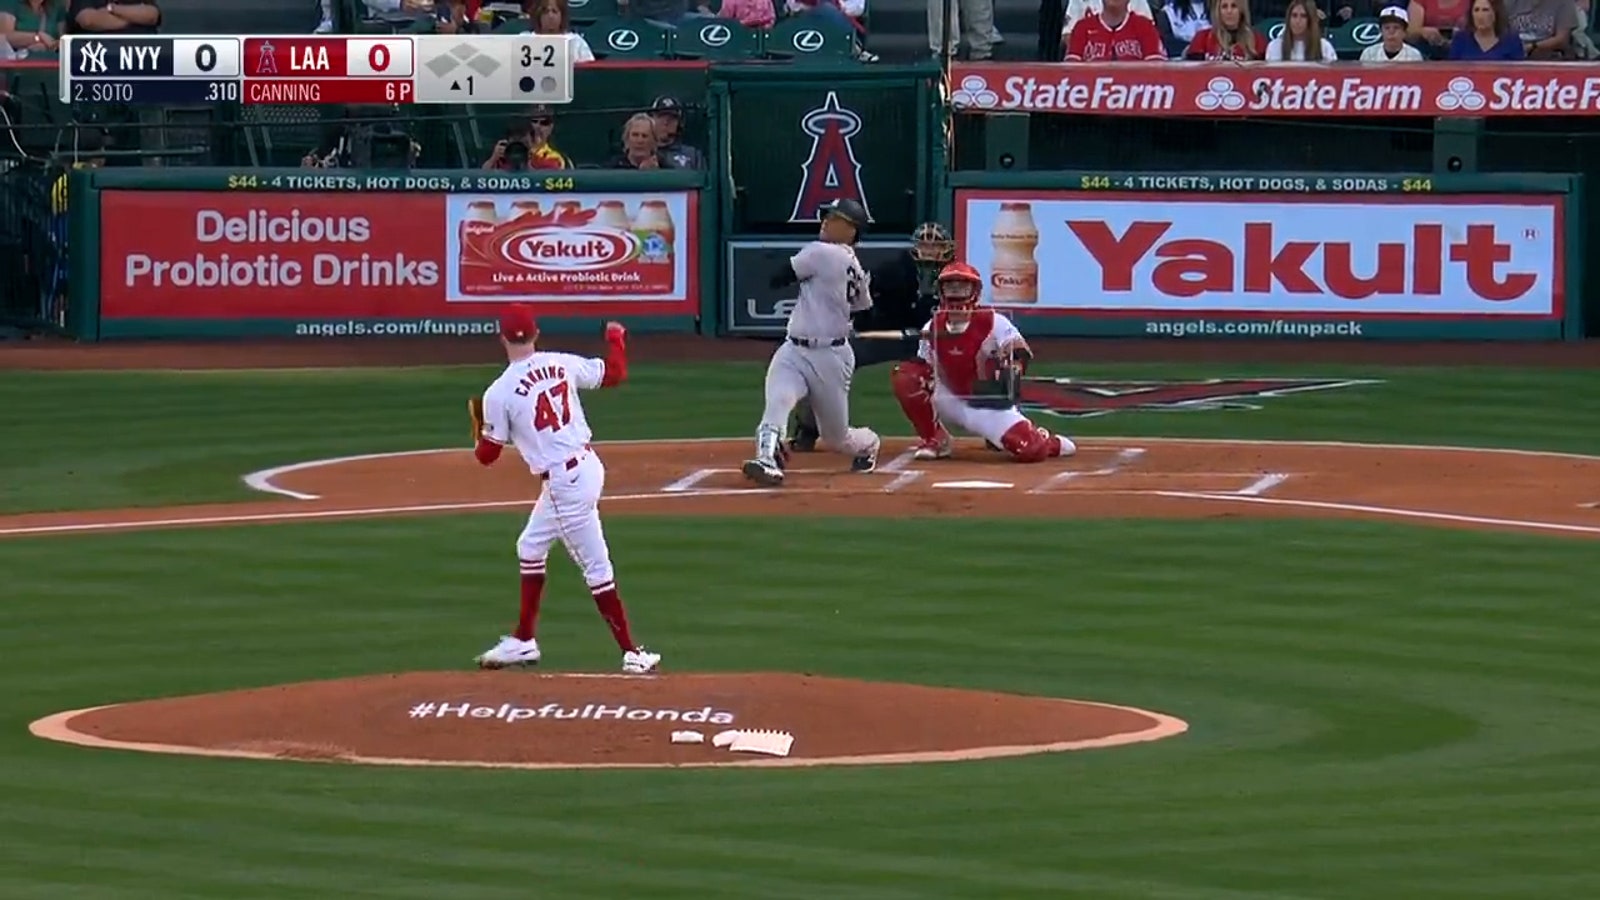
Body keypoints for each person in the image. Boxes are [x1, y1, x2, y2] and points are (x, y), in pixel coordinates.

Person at [468, 305, 663, 675]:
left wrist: (479, 429)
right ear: (536, 333)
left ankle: (629, 652)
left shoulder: (499, 392)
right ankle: (525, 640)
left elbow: (487, 456)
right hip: (588, 466)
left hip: (564, 484)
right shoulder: (561, 362)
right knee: (531, 547)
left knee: (592, 567)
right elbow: (616, 373)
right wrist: (616, 338)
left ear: (502, 338)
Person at [743, 198, 881, 487]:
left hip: (830, 357)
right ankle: (766, 459)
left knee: (837, 438)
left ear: (852, 230)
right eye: (827, 217)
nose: (826, 222)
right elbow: (865, 314)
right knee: (778, 402)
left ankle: (868, 443)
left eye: (835, 219)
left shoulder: (822, 252)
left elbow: (777, 277)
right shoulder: (854, 265)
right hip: (794, 350)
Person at [789, 221, 953, 453]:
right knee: (825, 364)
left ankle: (996, 424)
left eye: (935, 245)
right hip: (884, 335)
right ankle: (808, 427)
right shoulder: (893, 270)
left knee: (970, 359)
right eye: (925, 244)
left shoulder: (954, 275)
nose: (929, 250)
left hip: (928, 339)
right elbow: (864, 305)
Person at [890, 262, 1077, 463]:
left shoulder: (993, 321)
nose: (956, 292)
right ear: (941, 291)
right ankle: (935, 439)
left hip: (988, 402)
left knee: (1031, 451)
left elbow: (1019, 351)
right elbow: (923, 366)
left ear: (975, 291)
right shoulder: (932, 326)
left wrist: (1010, 368)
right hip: (950, 397)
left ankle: (1046, 440)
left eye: (962, 286)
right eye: (950, 286)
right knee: (906, 375)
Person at [1184, 0, 1265, 57]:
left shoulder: (1257, 40)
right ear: (1217, 11)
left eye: (1234, 6)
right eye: (1224, 7)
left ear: (1241, 10)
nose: (1229, 11)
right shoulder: (1202, 38)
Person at [1448, 0, 1525, 55]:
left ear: (1495, 13)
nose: (1480, 16)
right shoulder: (1460, 40)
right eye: (1476, 10)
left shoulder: (1512, 41)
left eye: (1485, 10)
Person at [1265, 0, 1336, 57]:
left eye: (1303, 16)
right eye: (1294, 15)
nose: (1297, 21)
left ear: (1311, 20)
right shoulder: (1274, 46)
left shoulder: (1325, 47)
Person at [1360, 4, 1425, 56]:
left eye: (1396, 28)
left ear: (1404, 32)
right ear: (1381, 31)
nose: (1391, 32)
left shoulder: (1413, 55)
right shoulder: (1369, 54)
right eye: (1387, 28)